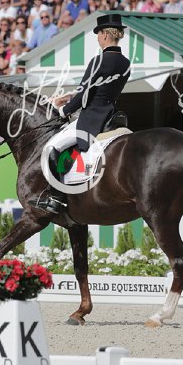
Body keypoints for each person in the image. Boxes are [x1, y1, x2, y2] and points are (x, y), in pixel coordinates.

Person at [29, 13, 130, 216]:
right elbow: (97, 91)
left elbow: (85, 94)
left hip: (91, 118)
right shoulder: (125, 63)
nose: (98, 38)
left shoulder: (98, 61)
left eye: (98, 34)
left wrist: (63, 111)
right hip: (110, 115)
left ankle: (56, 199)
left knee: (52, 149)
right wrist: (68, 96)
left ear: (105, 34)